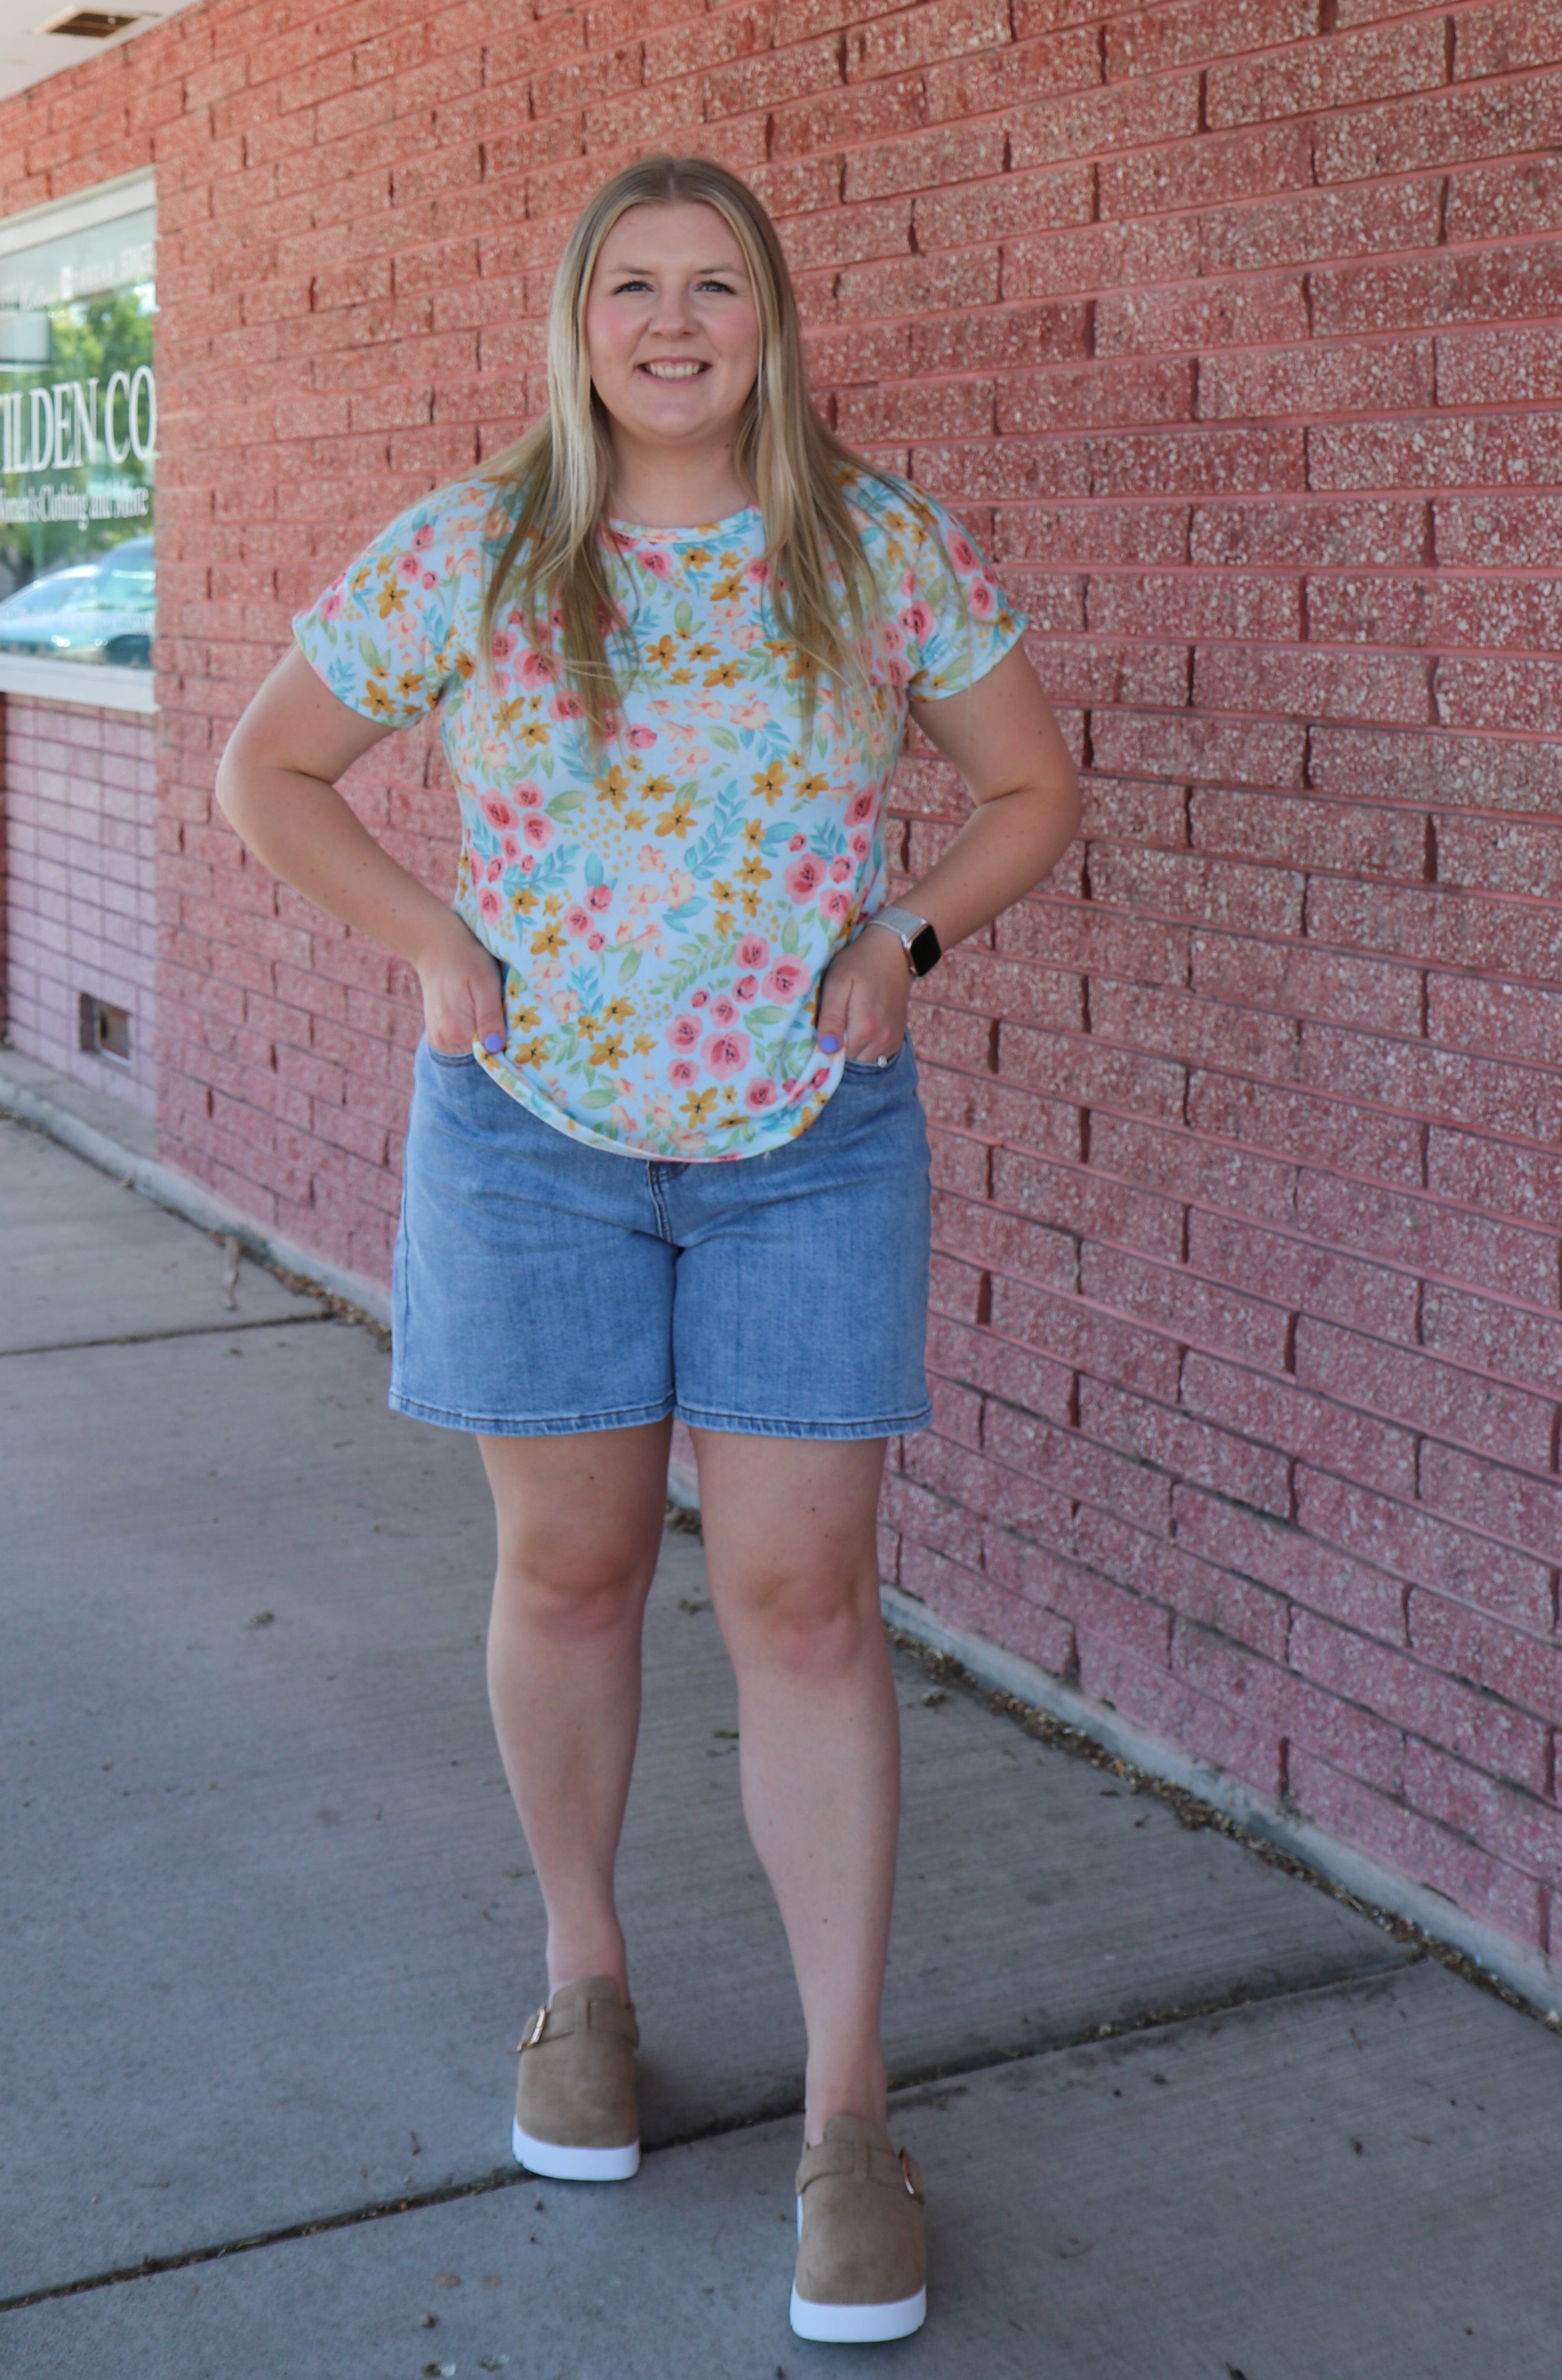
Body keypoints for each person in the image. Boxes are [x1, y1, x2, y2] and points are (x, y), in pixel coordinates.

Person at [216, 153, 1080, 2346]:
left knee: (802, 1605)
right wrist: (433, 944)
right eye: (635, 287)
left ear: (771, 320)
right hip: (527, 1141)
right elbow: (272, 768)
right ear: (578, 322)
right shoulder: (482, 545)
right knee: (574, 1571)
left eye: (716, 286)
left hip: (811, 1140)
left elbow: (1028, 793)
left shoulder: (874, 546)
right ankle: (582, 1985)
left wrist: (907, 934)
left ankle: (848, 2117)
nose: (676, 323)